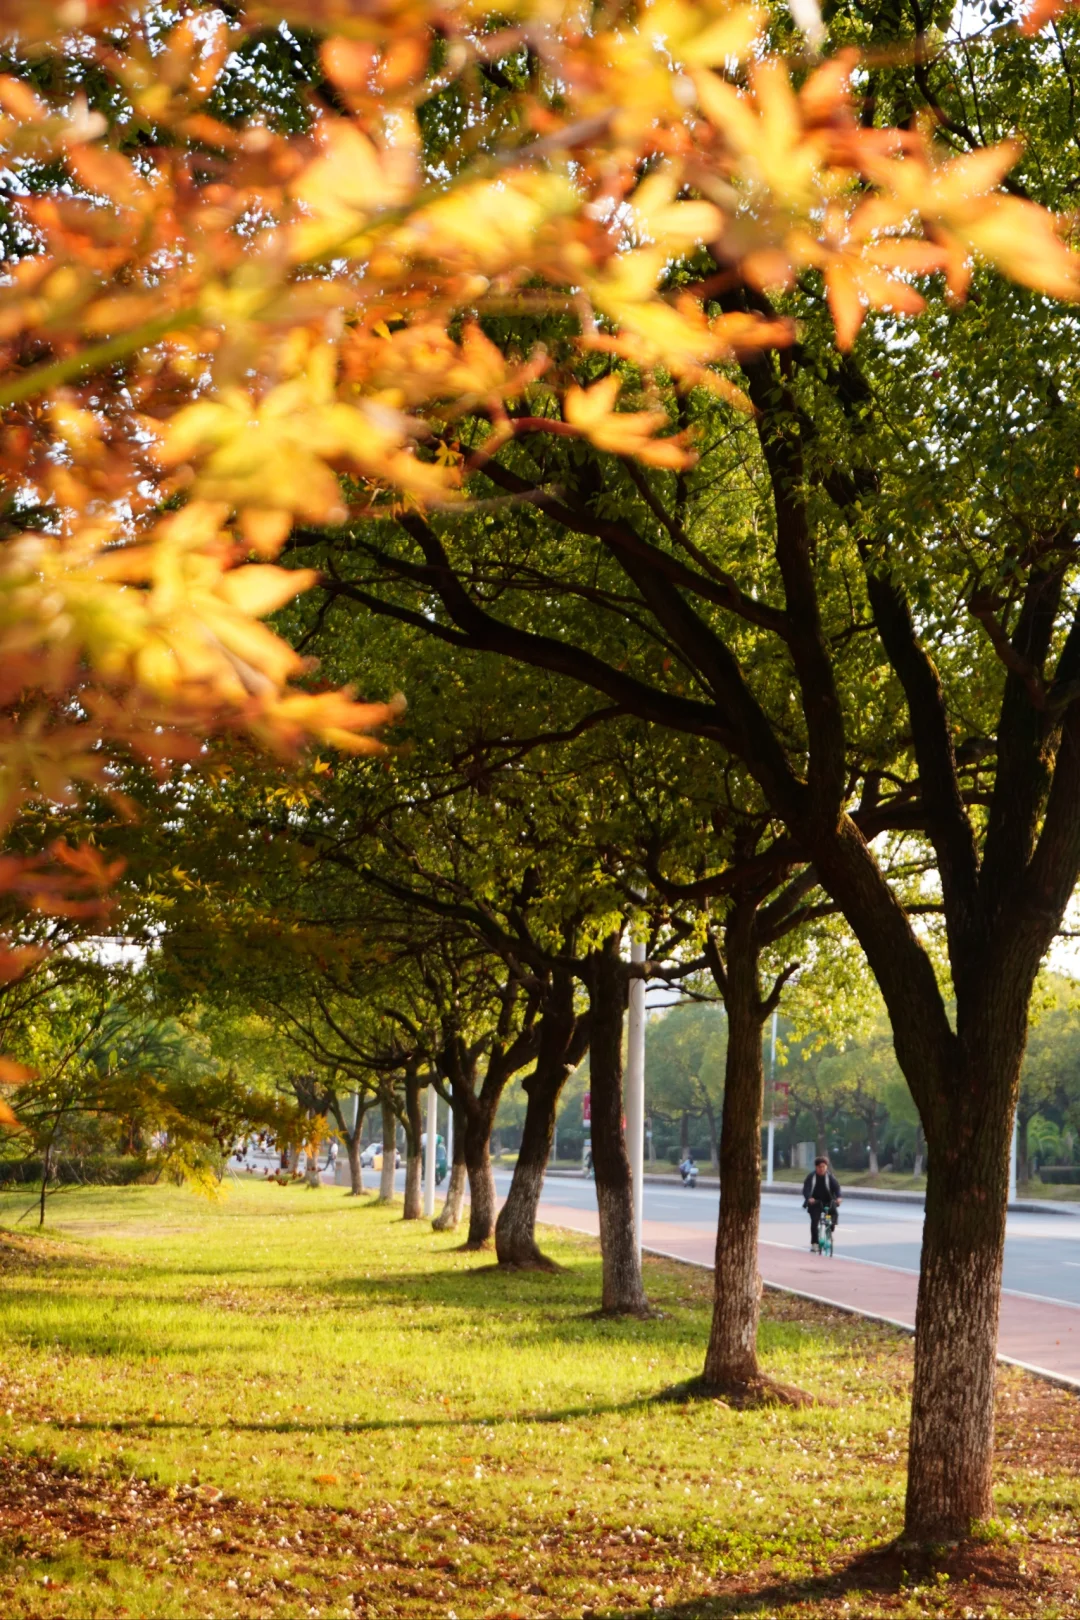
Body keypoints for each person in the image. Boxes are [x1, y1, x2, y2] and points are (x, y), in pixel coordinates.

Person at [802, 1156, 842, 1252]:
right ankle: (814, 1243)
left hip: (828, 1201)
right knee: (815, 1222)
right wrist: (809, 1198)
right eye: (820, 1167)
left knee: (832, 1215)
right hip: (815, 1202)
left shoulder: (830, 1177)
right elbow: (806, 1189)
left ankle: (830, 1229)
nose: (822, 1169)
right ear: (816, 1167)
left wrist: (839, 1198)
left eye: (824, 1167)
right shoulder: (811, 1177)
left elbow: (837, 1188)